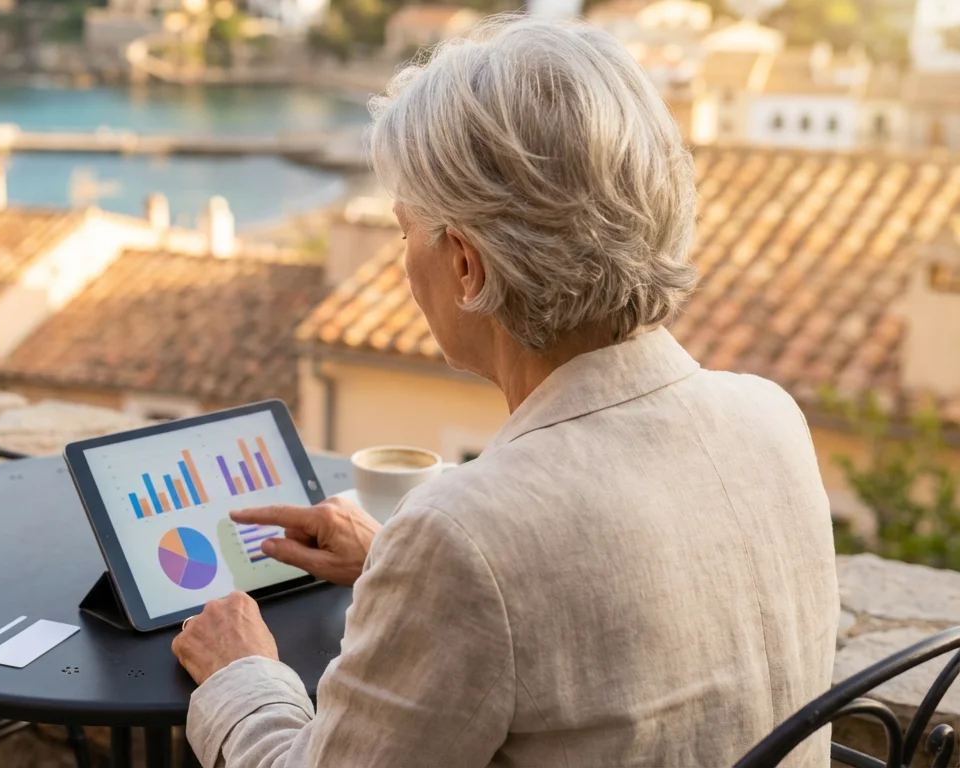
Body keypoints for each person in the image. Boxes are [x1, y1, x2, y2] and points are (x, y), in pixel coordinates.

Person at [170, 14, 839, 768]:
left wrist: (243, 676)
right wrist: (392, 562)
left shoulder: (465, 535)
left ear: (466, 266)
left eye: (403, 231)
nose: (399, 262)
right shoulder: (769, 418)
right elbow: (586, 608)